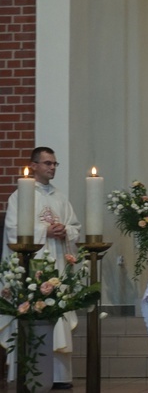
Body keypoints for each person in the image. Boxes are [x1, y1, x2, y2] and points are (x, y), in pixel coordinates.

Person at [1, 147, 81, 390]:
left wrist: (65, 230)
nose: (52, 167)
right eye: (47, 163)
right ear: (33, 165)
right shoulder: (20, 196)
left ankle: (60, 375)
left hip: (56, 264)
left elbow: (75, 227)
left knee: (58, 316)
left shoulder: (59, 197)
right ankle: (31, 374)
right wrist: (44, 231)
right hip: (31, 266)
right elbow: (13, 231)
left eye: (55, 163)